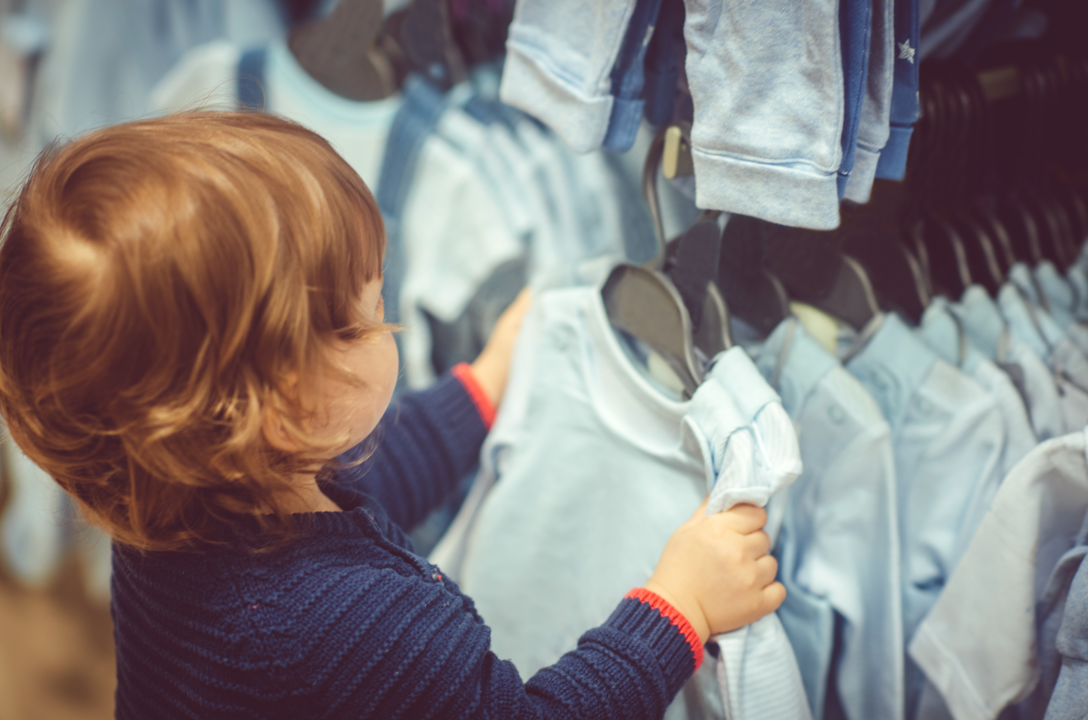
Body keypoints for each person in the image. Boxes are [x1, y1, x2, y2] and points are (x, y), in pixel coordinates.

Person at [0, 111, 785, 719]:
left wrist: (481, 388)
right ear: (277, 409)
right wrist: (679, 606)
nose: (390, 327)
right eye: (367, 319)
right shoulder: (358, 623)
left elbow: (370, 477)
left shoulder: (174, 499)